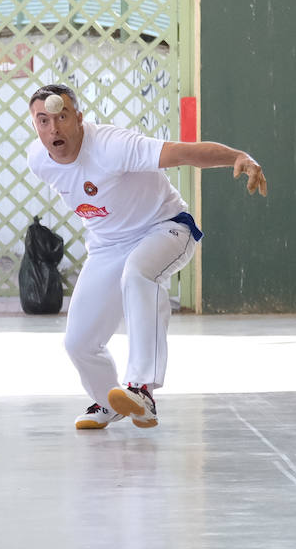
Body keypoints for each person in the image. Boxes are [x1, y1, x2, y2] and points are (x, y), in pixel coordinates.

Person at [25, 83, 267, 430]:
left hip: (165, 228)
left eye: (62, 117)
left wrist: (237, 157)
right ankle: (109, 401)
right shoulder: (38, 159)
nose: (54, 129)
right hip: (108, 246)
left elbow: (183, 153)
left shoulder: (112, 146)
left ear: (78, 118)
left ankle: (142, 389)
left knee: (138, 274)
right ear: (34, 126)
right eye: (43, 121)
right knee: (79, 342)